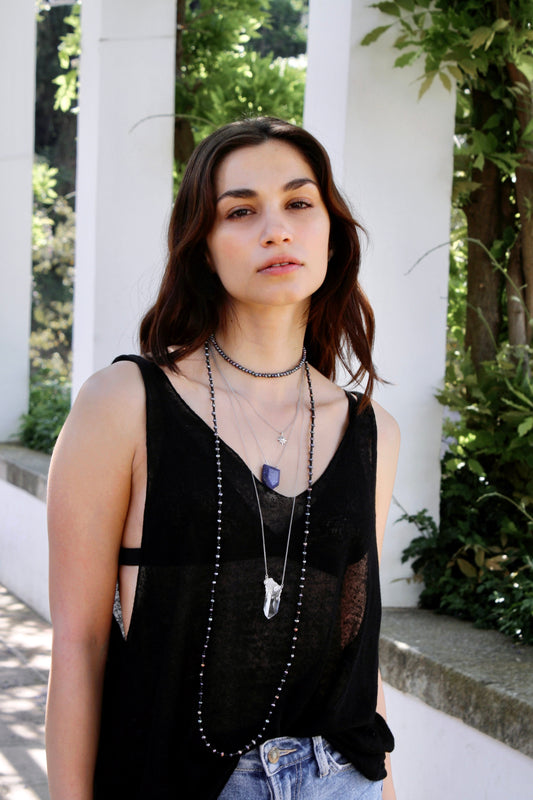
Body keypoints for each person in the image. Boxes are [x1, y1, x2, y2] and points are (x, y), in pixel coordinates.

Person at [45, 116, 400, 799]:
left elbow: (358, 656)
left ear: (331, 233)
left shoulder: (370, 431)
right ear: (203, 248)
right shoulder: (124, 403)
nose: (277, 229)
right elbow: (79, 645)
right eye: (241, 211)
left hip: (339, 780)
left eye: (299, 203)